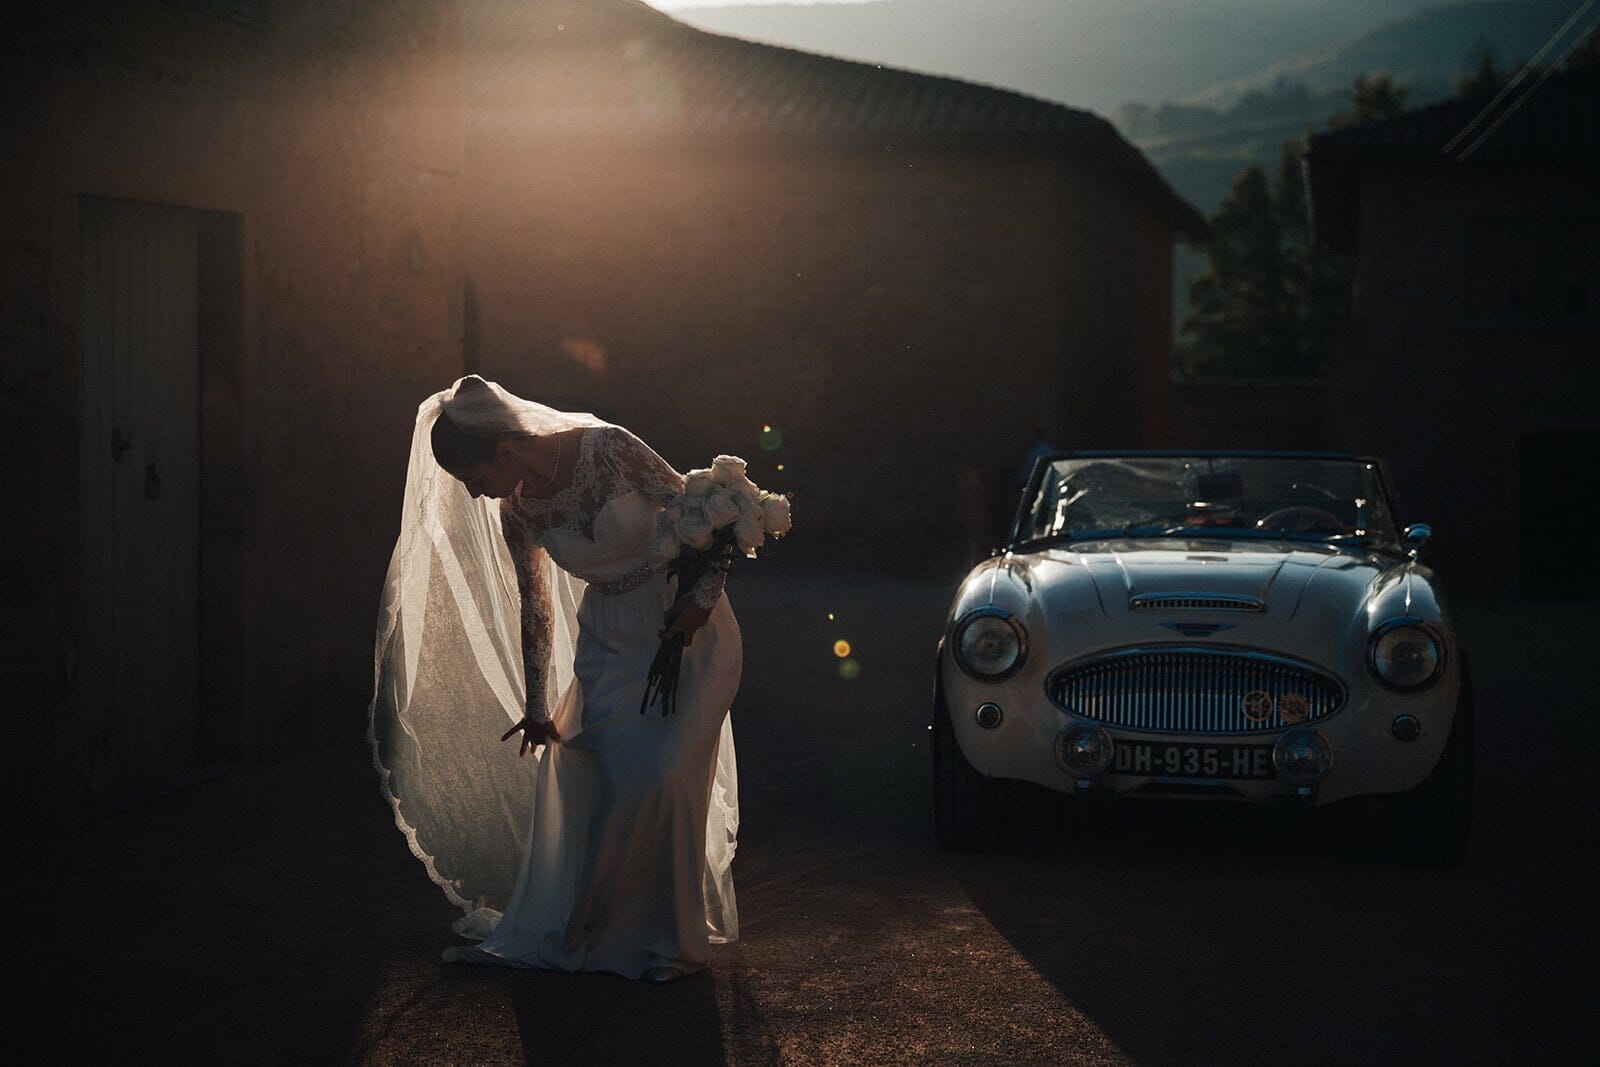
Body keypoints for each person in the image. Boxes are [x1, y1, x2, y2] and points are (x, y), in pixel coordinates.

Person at [368, 375, 741, 984]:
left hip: (688, 631)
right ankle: (603, 927)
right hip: (608, 649)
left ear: (505, 450)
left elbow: (706, 519)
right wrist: (538, 706)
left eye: (476, 479)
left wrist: (700, 601)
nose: (480, 496)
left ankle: (669, 937)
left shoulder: (611, 447)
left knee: (665, 774)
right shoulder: (521, 512)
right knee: (594, 777)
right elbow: (536, 607)